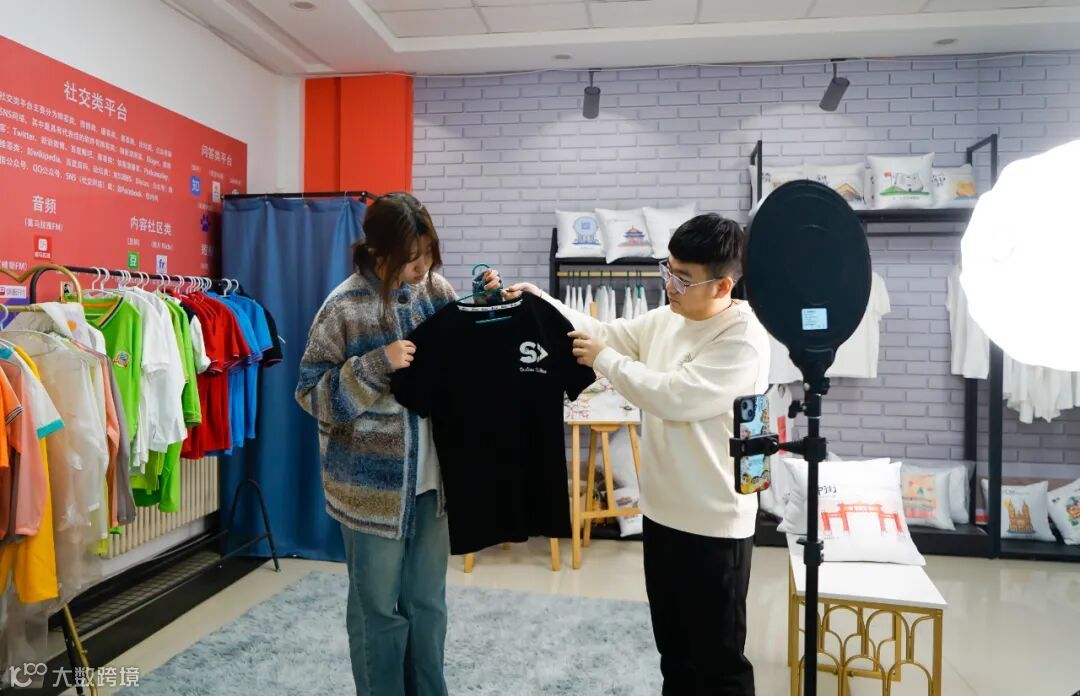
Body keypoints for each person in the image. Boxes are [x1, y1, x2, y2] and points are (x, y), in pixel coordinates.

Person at [509, 213, 769, 695]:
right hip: (663, 513)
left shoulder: (744, 338)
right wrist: (540, 301)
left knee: (719, 665)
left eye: (683, 278)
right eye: (668, 270)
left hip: (715, 524)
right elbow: (606, 331)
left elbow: (674, 396)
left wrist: (605, 360)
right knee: (674, 654)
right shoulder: (668, 317)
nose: (669, 285)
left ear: (723, 286)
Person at [295, 192, 503, 696]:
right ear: (379, 252)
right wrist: (375, 364)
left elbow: (465, 356)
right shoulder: (343, 306)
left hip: (434, 484)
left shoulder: (436, 291)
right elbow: (311, 394)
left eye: (429, 255)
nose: (423, 267)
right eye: (412, 259)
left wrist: (484, 307)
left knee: (428, 605)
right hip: (370, 493)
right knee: (377, 611)